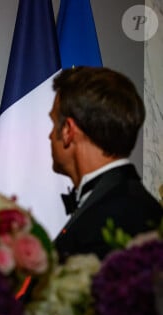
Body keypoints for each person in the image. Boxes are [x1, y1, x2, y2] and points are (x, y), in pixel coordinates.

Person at [49, 66, 163, 263]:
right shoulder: (128, 202)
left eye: (53, 124)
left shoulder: (118, 217)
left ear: (68, 131)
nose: (50, 135)